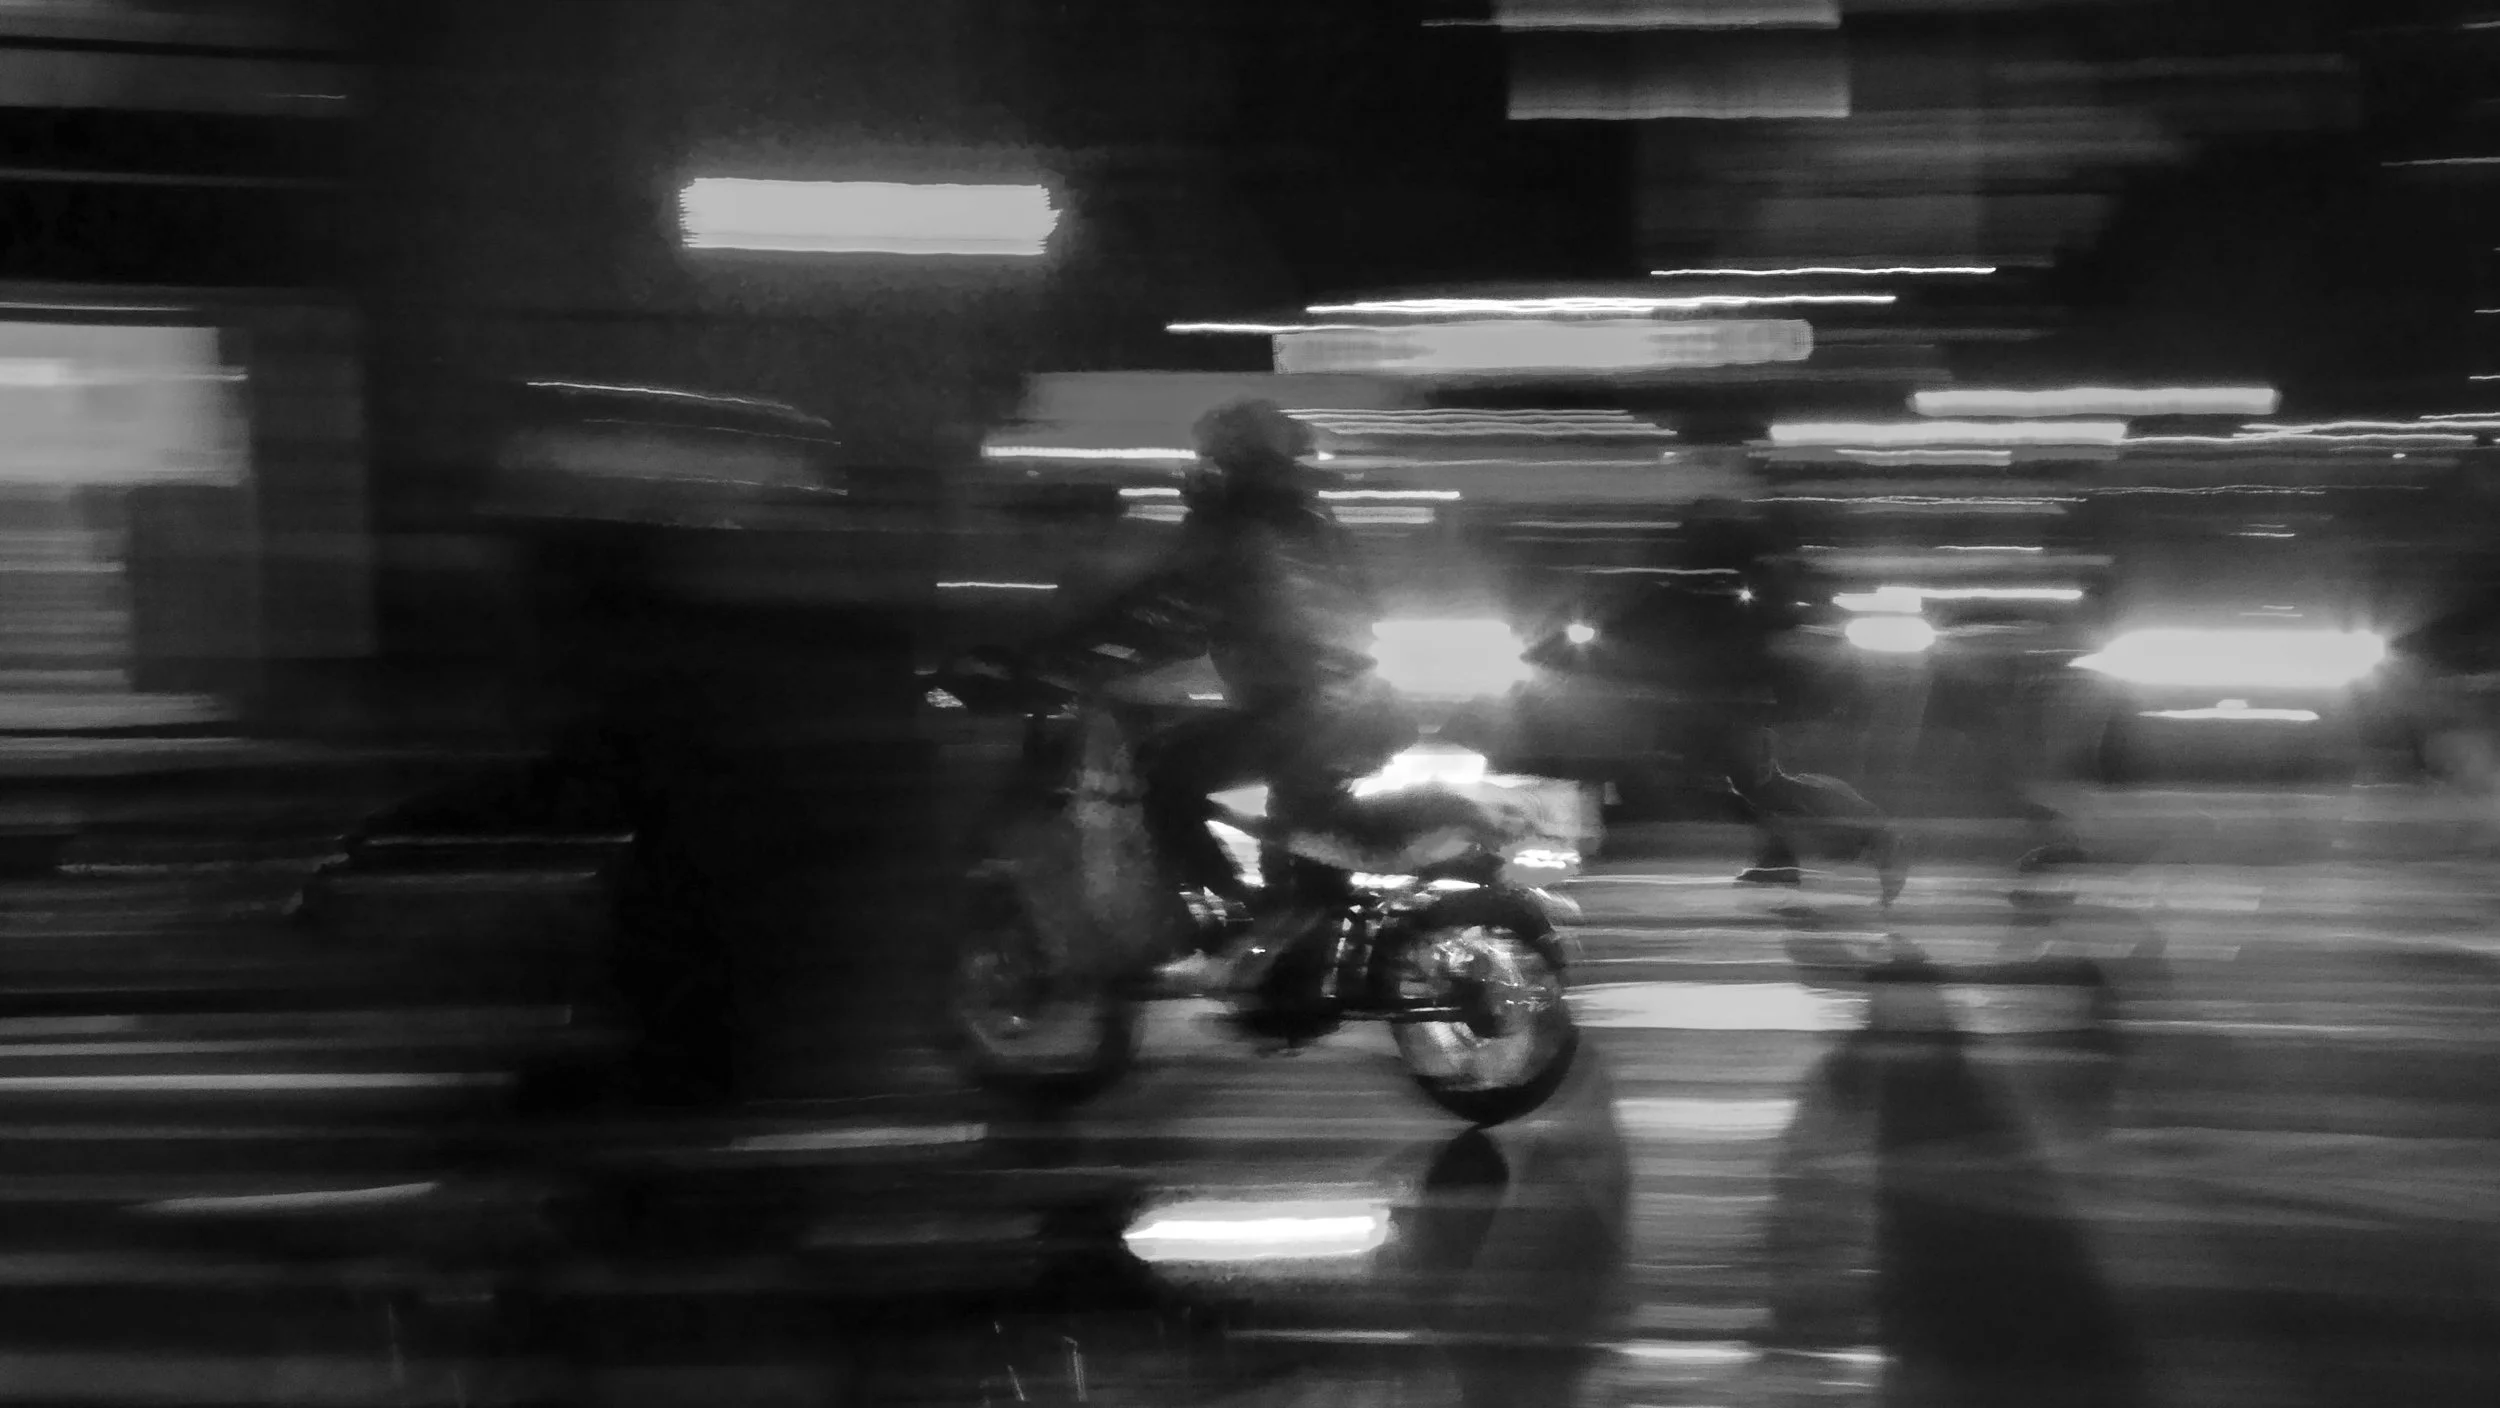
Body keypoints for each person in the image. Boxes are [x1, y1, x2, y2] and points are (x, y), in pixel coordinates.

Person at [1029, 398, 1417, 996]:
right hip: (1362, 704)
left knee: (1162, 777)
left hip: (1304, 710)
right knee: (1295, 820)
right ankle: (1292, 955)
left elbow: (1164, 608)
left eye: (1211, 456)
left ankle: (1242, 923)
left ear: (1232, 460)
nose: (1202, 467)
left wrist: (1070, 654)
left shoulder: (1228, 527)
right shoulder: (1316, 525)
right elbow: (1362, 610)